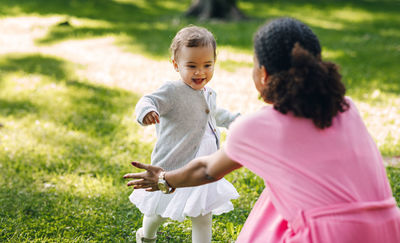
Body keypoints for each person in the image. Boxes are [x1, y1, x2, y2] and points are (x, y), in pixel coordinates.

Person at [124, 17, 400, 243]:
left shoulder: (258, 127)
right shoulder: (346, 107)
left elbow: (206, 171)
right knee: (275, 195)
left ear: (264, 74)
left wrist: (163, 179)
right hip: (390, 230)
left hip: (326, 236)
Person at [130, 25, 240, 243]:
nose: (200, 72)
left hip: (204, 166)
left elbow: (214, 114)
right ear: (175, 64)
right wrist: (147, 111)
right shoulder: (172, 91)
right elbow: (148, 100)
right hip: (174, 165)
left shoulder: (209, 93)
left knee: (202, 215)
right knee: (158, 212)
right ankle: (146, 236)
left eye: (207, 65)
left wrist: (235, 120)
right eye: (191, 66)